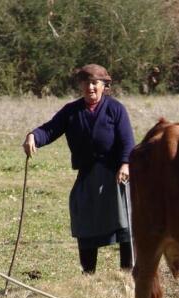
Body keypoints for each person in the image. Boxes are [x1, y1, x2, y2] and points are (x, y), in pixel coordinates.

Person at [22, 64, 135, 274]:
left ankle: (128, 271)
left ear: (104, 86)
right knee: (85, 220)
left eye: (95, 83)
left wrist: (126, 164)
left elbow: (128, 141)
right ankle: (88, 272)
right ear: (80, 85)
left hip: (115, 175)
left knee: (124, 223)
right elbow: (50, 129)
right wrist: (33, 137)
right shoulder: (71, 111)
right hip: (87, 175)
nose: (90, 88)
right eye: (86, 83)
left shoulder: (115, 109)